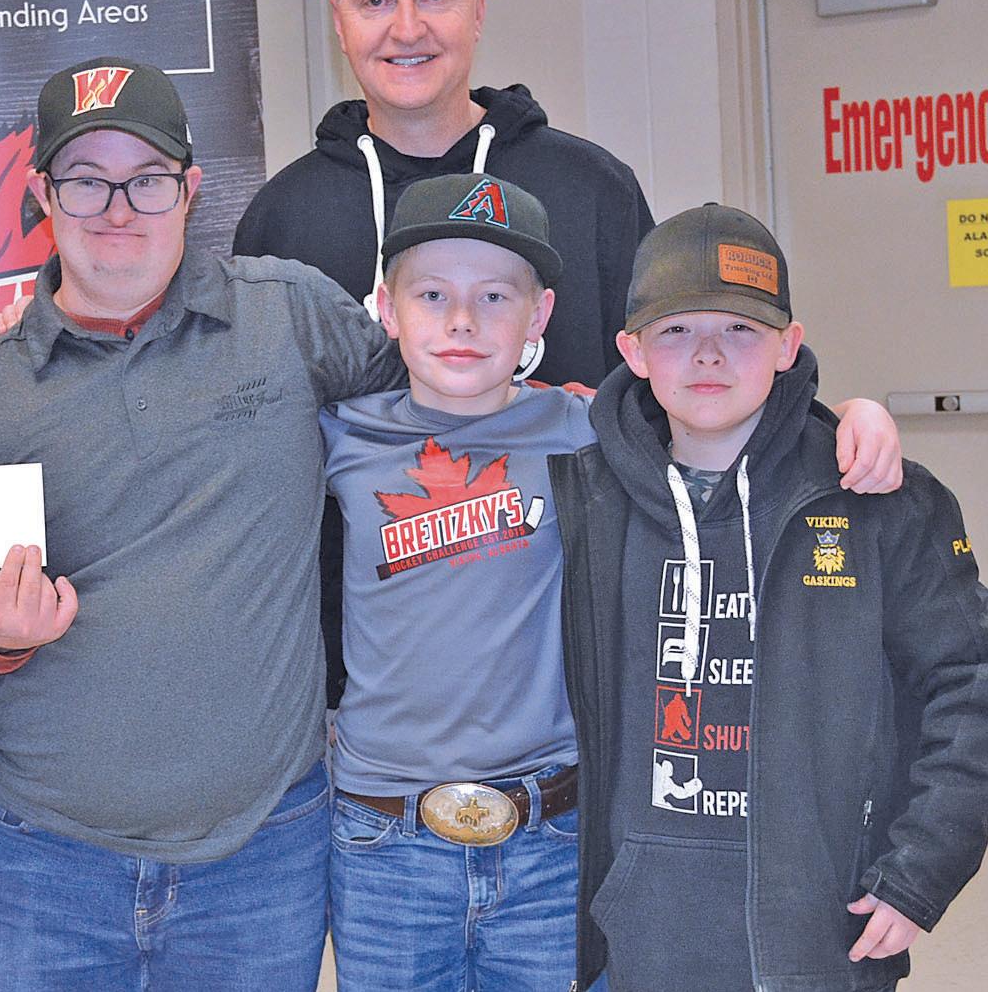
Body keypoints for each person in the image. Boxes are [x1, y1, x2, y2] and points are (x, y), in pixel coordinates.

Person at [317, 175, 903, 990]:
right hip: (384, 838)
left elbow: (730, 412)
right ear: (386, 308)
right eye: (432, 294)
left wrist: (852, 416)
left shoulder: (590, 429)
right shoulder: (339, 437)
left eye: (495, 296)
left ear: (540, 316)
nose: (462, 320)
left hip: (553, 834)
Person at [0, 55, 407, 991]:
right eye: (85, 181)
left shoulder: (290, 317)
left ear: (191, 189)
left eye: (145, 179)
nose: (117, 208)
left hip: (262, 849)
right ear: (41, 195)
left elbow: (428, 421)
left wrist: (539, 413)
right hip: (42, 860)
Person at [553, 205, 988, 991]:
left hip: (820, 933)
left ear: (789, 347)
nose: (708, 355)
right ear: (632, 351)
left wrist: (920, 869)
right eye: (676, 331)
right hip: (637, 938)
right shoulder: (585, 499)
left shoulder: (878, 500)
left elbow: (976, 683)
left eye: (741, 329)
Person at [233, 0, 659, 709]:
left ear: (478, 7)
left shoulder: (591, 190)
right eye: (376, 1)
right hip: (359, 701)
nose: (406, 27)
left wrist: (833, 415)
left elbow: (682, 382)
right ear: (338, 19)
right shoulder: (283, 217)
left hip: (570, 686)